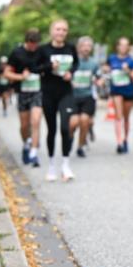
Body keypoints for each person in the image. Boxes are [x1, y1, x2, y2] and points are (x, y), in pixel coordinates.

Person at [33, 19, 78, 181]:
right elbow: (35, 68)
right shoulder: (43, 49)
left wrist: (70, 73)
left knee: (65, 127)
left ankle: (65, 165)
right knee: (51, 129)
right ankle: (51, 166)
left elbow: (76, 63)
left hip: (65, 92)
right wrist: (49, 67)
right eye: (58, 29)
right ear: (51, 31)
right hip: (48, 93)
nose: (61, 32)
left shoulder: (70, 48)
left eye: (64, 30)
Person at [4, 29, 44, 168]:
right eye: (31, 43)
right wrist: (21, 77)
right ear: (26, 42)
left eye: (36, 44)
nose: (34, 46)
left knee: (36, 121)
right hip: (23, 92)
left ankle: (34, 153)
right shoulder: (17, 53)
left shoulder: (41, 52)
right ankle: (27, 143)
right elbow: (7, 73)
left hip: (38, 92)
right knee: (24, 125)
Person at [70, 36, 102, 158]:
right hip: (73, 97)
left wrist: (99, 82)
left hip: (88, 96)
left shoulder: (94, 63)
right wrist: (70, 81)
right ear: (78, 47)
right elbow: (64, 75)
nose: (86, 48)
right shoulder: (72, 61)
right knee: (73, 124)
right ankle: (69, 140)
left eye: (89, 46)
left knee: (84, 121)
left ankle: (80, 146)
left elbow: (99, 77)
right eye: (83, 46)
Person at [107, 36, 133, 154]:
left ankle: (125, 140)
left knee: (126, 117)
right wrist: (106, 70)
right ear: (117, 46)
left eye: (126, 45)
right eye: (121, 44)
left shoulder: (131, 61)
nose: (123, 47)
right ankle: (119, 142)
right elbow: (106, 68)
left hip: (129, 90)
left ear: (128, 47)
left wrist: (128, 71)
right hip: (116, 90)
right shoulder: (112, 58)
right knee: (118, 116)